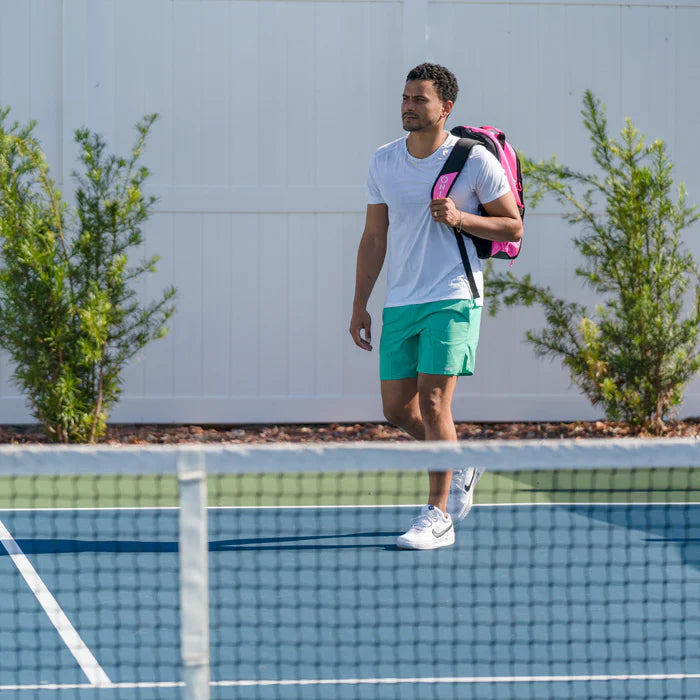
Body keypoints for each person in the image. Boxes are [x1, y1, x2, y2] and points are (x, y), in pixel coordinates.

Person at [349, 63, 522, 550]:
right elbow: (373, 236)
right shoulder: (383, 161)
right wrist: (360, 303)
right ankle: (461, 461)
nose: (407, 105)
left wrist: (462, 217)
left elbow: (513, 227)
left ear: (445, 108)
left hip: (453, 296)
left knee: (433, 402)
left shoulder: (473, 161)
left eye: (419, 99)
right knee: (396, 409)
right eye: (405, 97)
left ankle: (437, 515)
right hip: (401, 301)